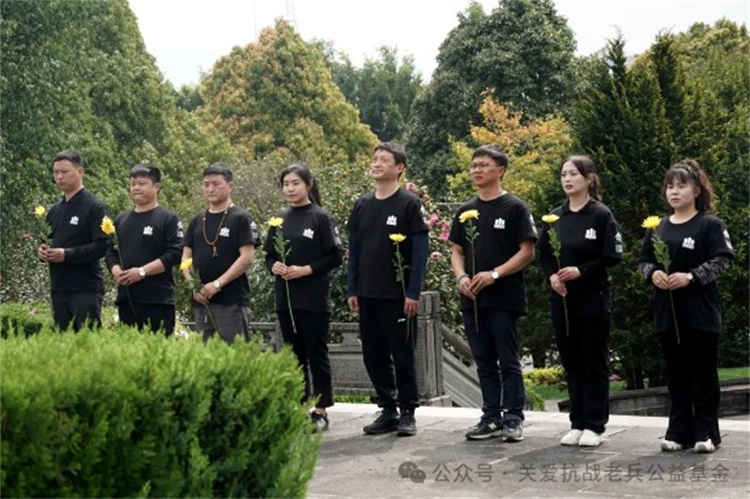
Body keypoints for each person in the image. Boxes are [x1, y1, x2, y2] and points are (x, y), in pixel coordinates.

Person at [638, 159, 733, 454]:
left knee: (703, 374)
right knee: (676, 375)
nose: (674, 192)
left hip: (700, 313)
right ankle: (678, 431)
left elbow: (722, 260)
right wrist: (653, 273)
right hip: (668, 314)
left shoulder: (710, 225)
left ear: (697, 190)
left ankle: (706, 433)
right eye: (670, 186)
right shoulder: (658, 227)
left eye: (681, 186)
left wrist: (691, 277)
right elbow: (643, 261)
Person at [449, 145, 536, 443]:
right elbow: (456, 251)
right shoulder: (465, 211)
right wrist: (461, 276)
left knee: (507, 360)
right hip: (472, 299)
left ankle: (513, 417)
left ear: (500, 170)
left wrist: (495, 274)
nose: (476, 170)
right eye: (473, 165)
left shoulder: (515, 208)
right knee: (483, 360)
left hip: (504, 298)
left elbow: (527, 252)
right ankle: (491, 417)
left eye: (483, 165)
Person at [536, 155, 623, 448]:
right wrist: (552, 276)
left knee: (593, 361)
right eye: (563, 174)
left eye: (573, 173)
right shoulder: (555, 217)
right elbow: (544, 254)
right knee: (571, 360)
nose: (567, 179)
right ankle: (577, 422)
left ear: (588, 178)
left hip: (593, 298)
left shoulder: (600, 214)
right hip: (562, 299)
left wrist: (581, 270)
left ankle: (595, 425)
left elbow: (612, 255)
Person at [347, 142, 429, 437]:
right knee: (373, 354)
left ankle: (408, 412)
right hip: (367, 293)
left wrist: (413, 292)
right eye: (374, 159)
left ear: (399, 168)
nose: (377, 163)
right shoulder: (362, 205)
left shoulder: (409, 204)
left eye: (384, 159)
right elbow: (354, 250)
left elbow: (420, 252)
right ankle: (388, 408)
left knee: (403, 354)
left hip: (398, 295)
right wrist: (352, 288)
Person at [264, 164, 343, 432]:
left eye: (295, 183)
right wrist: (274, 266)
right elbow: (269, 255)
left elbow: (336, 256)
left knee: (316, 354)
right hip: (286, 299)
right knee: (293, 355)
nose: (290, 188)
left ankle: (320, 411)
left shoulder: (321, 217)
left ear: (309, 184)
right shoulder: (279, 219)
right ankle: (298, 408)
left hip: (314, 299)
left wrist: (306, 270)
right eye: (286, 184)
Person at [182, 163, 260, 343]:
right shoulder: (197, 220)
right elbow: (186, 257)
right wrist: (192, 285)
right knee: (205, 355)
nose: (210, 189)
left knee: (235, 354)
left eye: (216, 184)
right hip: (202, 300)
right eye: (206, 184)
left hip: (231, 300)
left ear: (230, 185)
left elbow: (247, 258)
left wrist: (217, 284)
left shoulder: (241, 218)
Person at [104, 164, 183, 335]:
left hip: (157, 300)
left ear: (156, 187)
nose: (136, 188)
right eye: (133, 184)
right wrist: (116, 271)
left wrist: (142, 272)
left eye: (142, 183)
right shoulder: (121, 220)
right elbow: (110, 251)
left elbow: (175, 253)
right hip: (127, 299)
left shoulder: (168, 218)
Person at [38, 150, 108, 331]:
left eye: (64, 172)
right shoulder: (54, 211)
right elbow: (45, 241)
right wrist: (43, 252)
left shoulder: (94, 206)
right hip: (59, 286)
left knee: (87, 340)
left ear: (80, 172)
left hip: (85, 287)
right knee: (63, 341)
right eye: (56, 172)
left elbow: (102, 246)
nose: (59, 177)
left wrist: (67, 255)